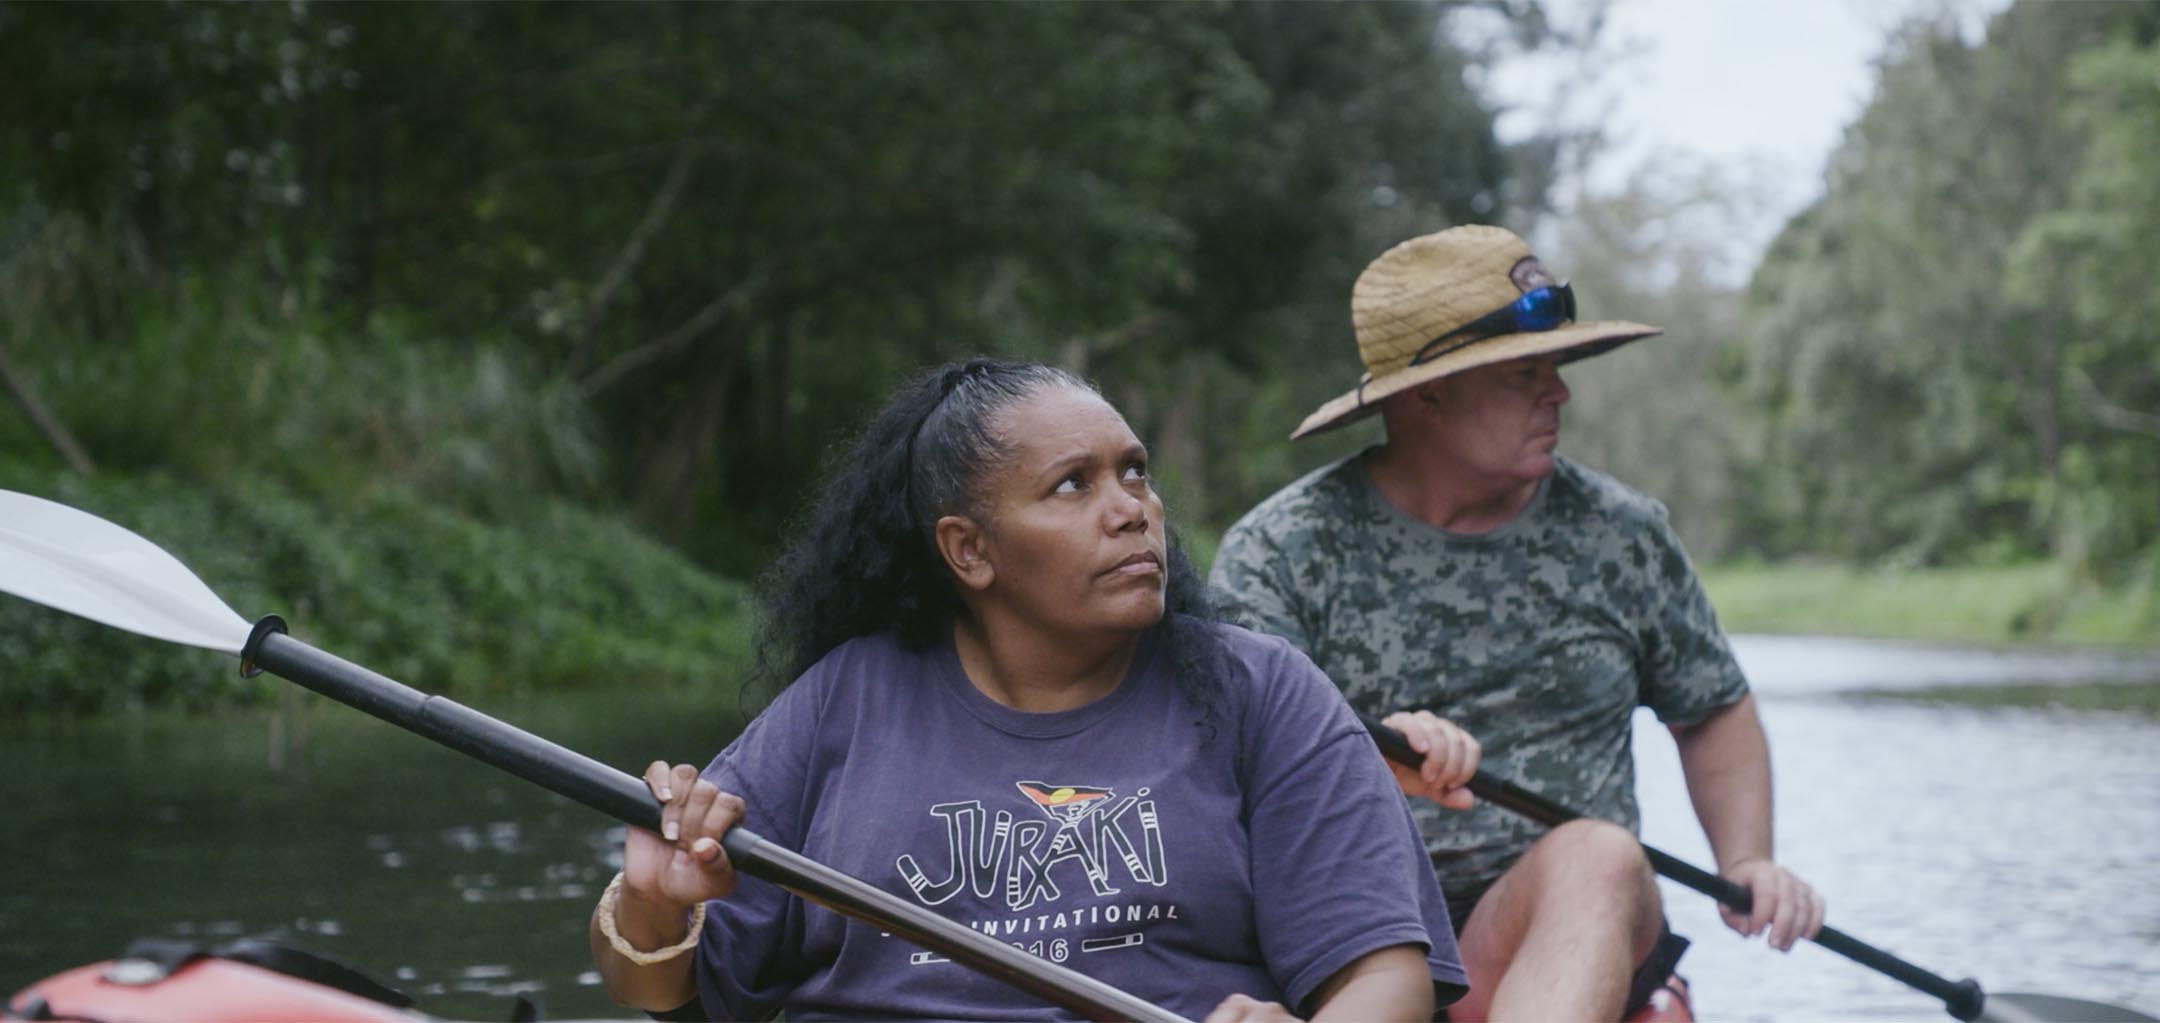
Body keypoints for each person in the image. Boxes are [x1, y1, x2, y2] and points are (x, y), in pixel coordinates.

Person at [589, 359, 1467, 1022]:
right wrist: (656, 901)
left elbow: (1384, 971)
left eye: (1135, 471)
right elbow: (659, 988)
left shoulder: (1261, 690)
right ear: (969, 550)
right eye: (1072, 484)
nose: (1133, 507)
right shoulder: (845, 699)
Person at [1209, 226, 1825, 1022]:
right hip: (1359, 949)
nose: (1559, 393)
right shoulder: (1280, 551)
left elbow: (1712, 709)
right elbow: (1231, 768)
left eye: (1558, 367)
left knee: (1600, 853)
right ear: (1426, 394)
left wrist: (1748, 857)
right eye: (1523, 373)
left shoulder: (1622, 534)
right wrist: (1361, 749)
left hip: (1577, 919)